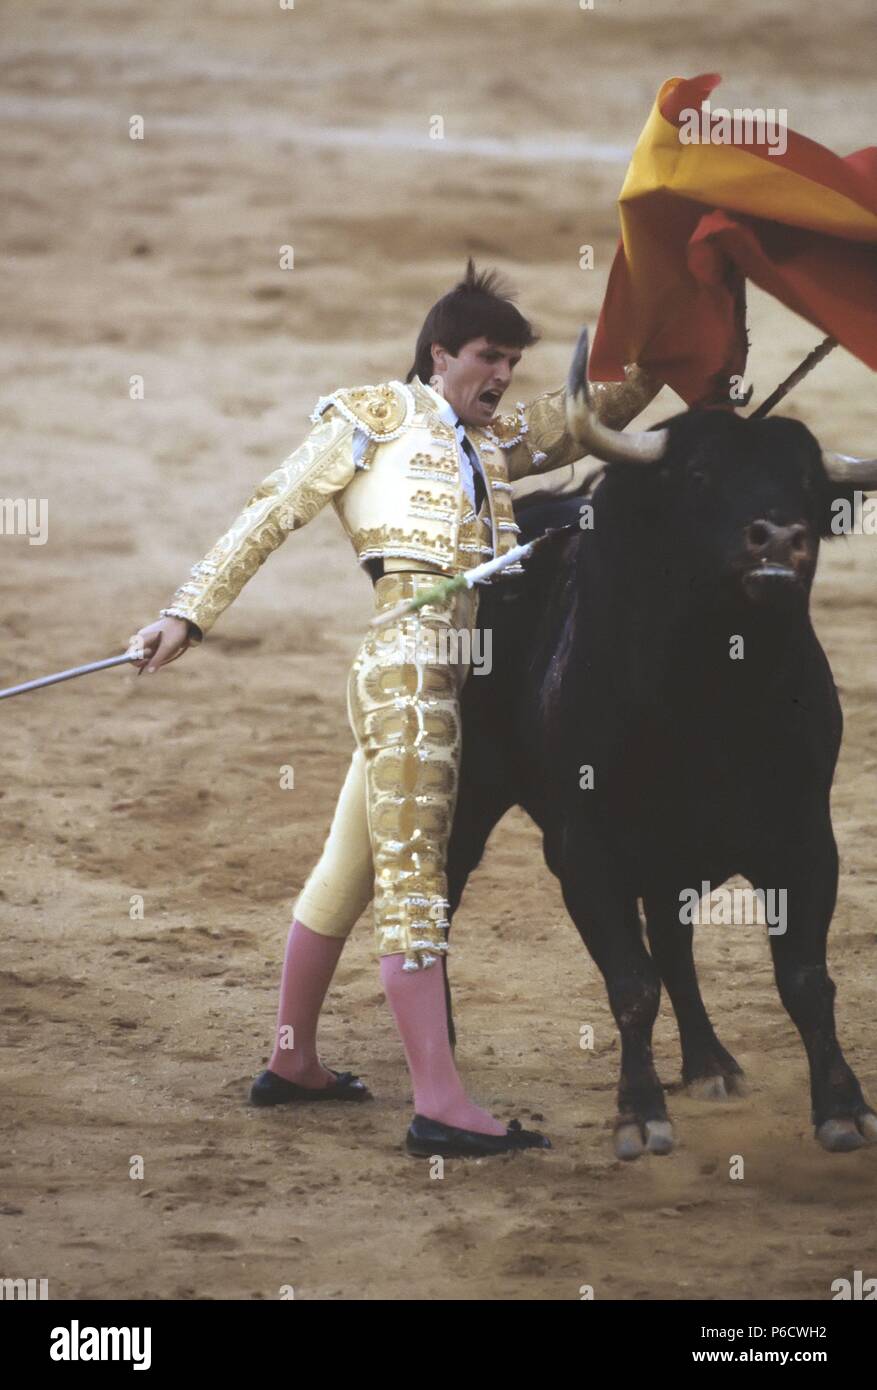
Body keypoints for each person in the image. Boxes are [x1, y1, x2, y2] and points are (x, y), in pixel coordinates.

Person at [128, 261, 661, 1157]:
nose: (501, 377)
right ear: (440, 353)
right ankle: (439, 1105)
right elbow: (272, 509)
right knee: (414, 885)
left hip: (439, 671)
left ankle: (291, 1061)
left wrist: (672, 348)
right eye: (488, 357)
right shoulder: (372, 417)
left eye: (512, 363)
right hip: (408, 670)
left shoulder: (492, 446)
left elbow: (584, 418)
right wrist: (188, 611)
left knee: (350, 870)